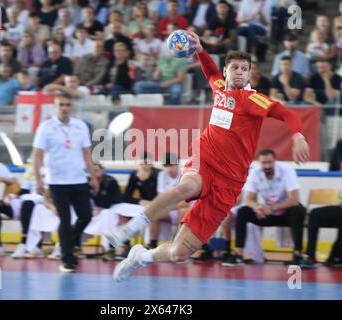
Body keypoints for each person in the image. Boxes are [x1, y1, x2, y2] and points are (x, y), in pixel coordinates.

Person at [106, 30, 309, 282]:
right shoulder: (220, 88)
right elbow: (211, 73)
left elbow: (285, 112)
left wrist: (298, 135)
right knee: (186, 187)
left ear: (249, 74)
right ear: (227, 72)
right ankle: (130, 229)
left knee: (180, 252)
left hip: (230, 181)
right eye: (234, 67)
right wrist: (201, 50)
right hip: (206, 159)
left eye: (244, 68)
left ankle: (140, 258)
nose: (238, 72)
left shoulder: (252, 99)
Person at [32, 92, 99, 273]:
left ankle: (68, 243)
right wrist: (39, 180)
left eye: (67, 104)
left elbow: (87, 154)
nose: (64, 108)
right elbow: (37, 156)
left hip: (78, 179)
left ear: (72, 106)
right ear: (55, 106)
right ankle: (67, 259)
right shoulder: (45, 128)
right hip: (57, 181)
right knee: (65, 219)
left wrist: (93, 177)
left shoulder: (81, 126)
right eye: (61, 104)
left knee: (86, 216)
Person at [225, 149, 306, 266]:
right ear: (259, 163)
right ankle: (238, 254)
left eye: (270, 162)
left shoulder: (287, 170)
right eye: (264, 163)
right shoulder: (255, 173)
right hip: (267, 213)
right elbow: (249, 199)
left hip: (286, 213)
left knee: (298, 211)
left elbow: (293, 199)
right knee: (243, 212)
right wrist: (257, 207)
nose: (267, 165)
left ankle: (298, 255)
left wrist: (272, 208)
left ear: (275, 161)